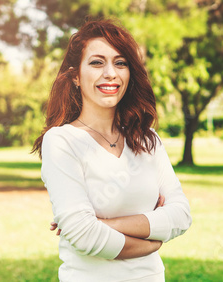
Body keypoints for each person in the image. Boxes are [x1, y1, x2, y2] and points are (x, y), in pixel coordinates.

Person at [32, 19, 192, 282]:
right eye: (97, 63)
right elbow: (84, 236)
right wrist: (150, 240)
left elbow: (181, 216)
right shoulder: (61, 141)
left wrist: (104, 226)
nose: (110, 73)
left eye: (120, 63)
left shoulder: (148, 140)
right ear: (75, 75)